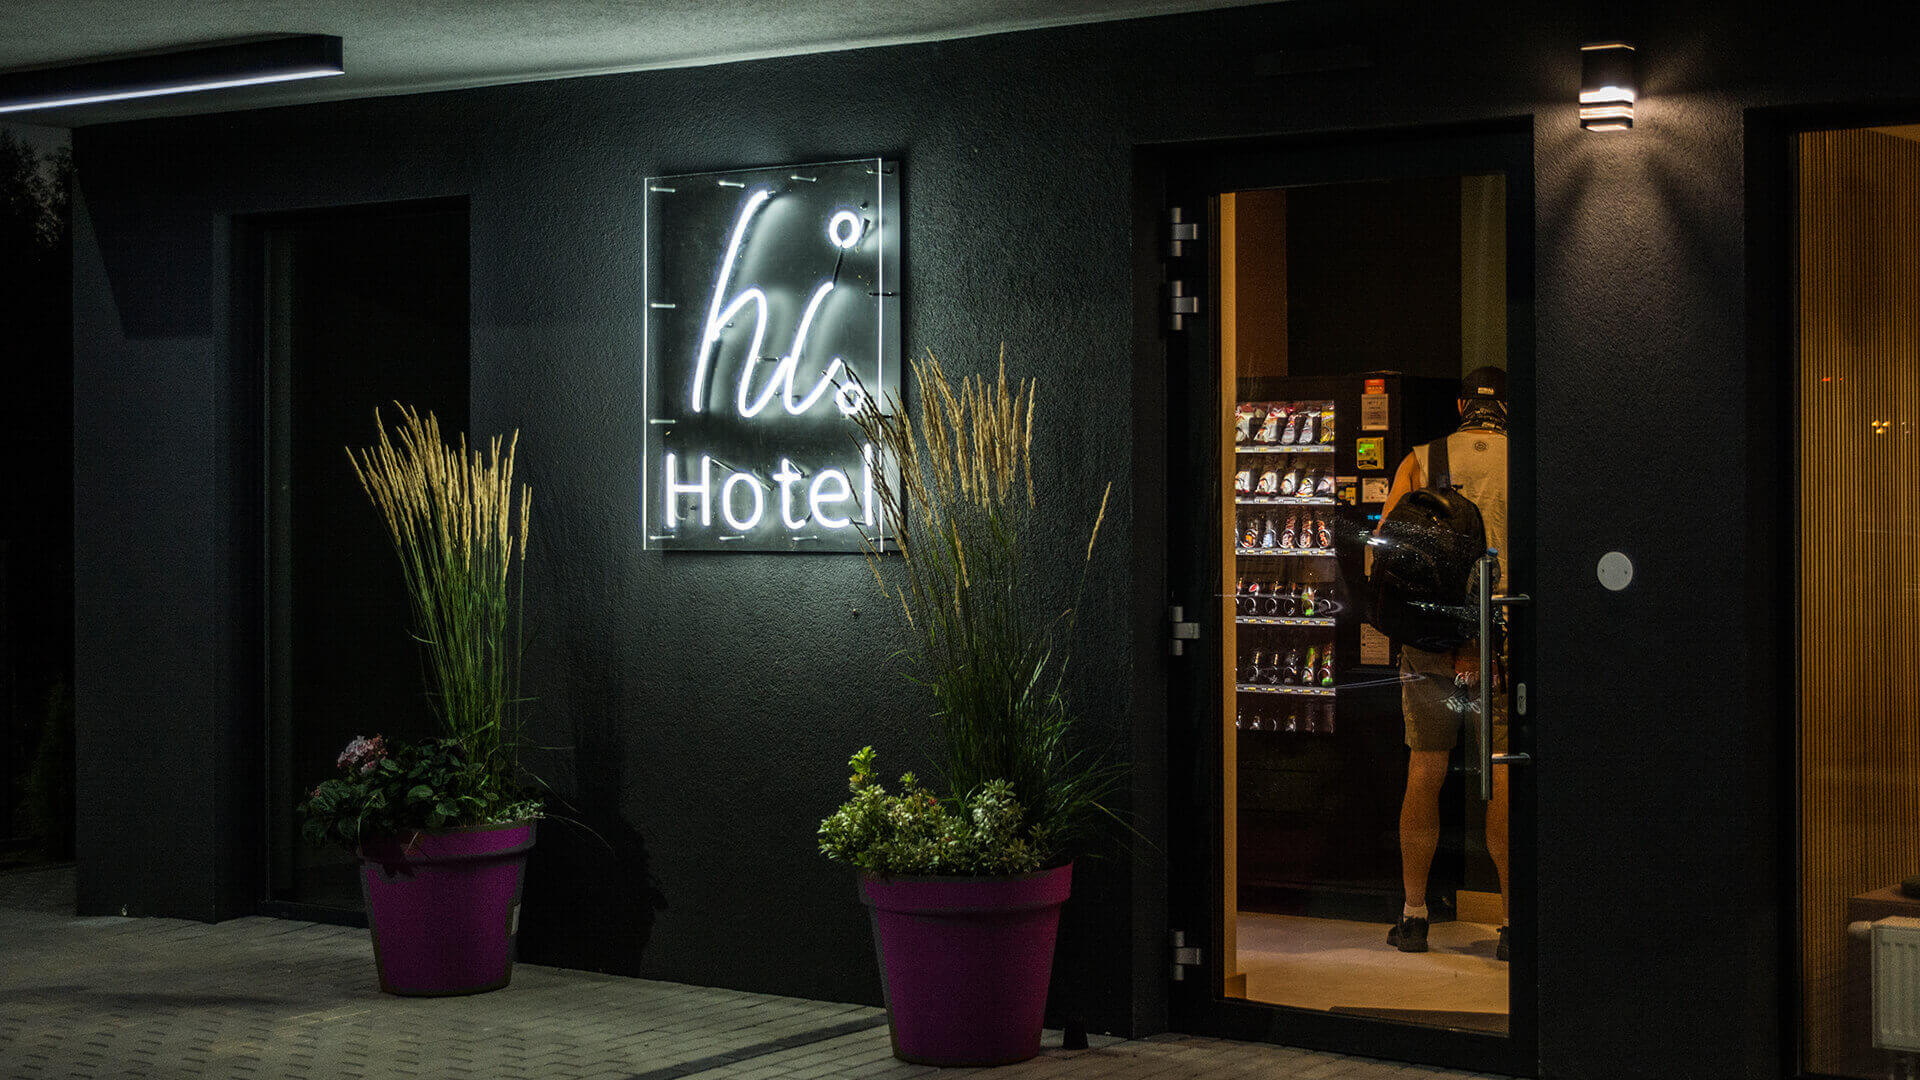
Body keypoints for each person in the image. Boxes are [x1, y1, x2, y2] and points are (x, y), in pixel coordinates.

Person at [1377, 365, 1510, 961]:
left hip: (1429, 645)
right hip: (1502, 646)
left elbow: (1382, 552)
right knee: (1502, 777)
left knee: (1425, 773)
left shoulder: (1421, 459)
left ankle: (1414, 916)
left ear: (1460, 404)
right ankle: (1511, 924)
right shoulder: (1529, 461)